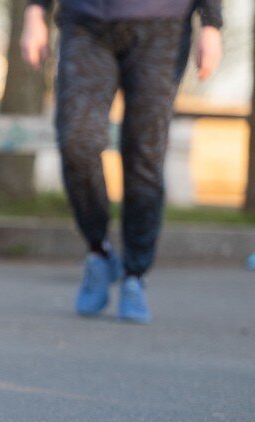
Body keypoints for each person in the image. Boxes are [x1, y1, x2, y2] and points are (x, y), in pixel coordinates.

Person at [21, 0, 223, 323]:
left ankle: (135, 273)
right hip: (85, 23)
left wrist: (211, 23)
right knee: (77, 141)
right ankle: (99, 250)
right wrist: (34, 12)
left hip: (163, 26)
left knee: (145, 151)